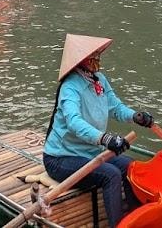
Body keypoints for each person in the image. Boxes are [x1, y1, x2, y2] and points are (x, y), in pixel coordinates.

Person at [43, 34, 151, 226]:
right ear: (80, 61)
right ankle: (117, 225)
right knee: (111, 175)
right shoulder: (70, 87)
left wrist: (135, 116)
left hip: (90, 152)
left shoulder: (99, 80)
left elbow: (115, 107)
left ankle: (137, 219)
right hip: (61, 158)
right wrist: (105, 138)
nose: (97, 60)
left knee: (130, 166)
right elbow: (74, 123)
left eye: (97, 55)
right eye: (92, 56)